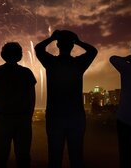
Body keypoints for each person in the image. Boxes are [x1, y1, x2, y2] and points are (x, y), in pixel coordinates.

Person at [35, 30, 97, 168]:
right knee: (76, 157)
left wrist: (51, 38)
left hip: (55, 116)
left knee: (54, 157)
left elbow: (38, 48)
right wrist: (79, 41)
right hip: (76, 115)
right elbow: (93, 51)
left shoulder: (51, 63)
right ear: (72, 46)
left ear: (57, 45)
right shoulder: (78, 64)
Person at [0, 42, 36, 168]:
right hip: (22, 119)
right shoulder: (27, 73)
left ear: (3, 55)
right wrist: (28, 117)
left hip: (2, 119)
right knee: (23, 155)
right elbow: (32, 99)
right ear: (19, 55)